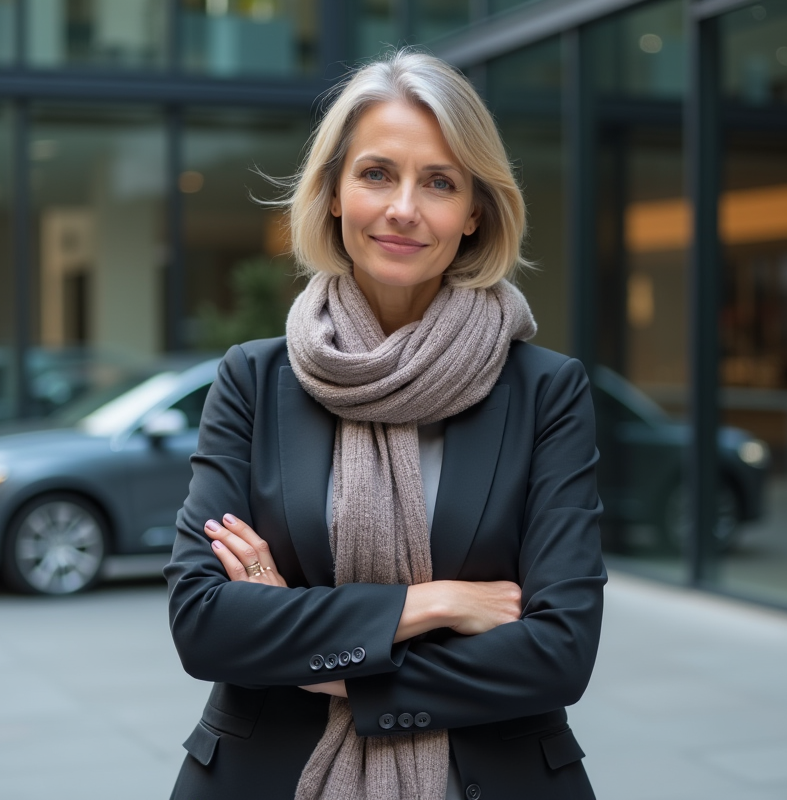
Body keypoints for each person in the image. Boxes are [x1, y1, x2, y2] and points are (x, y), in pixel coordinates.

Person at [164, 48, 606, 800]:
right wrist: (432, 604)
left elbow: (558, 652)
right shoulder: (253, 378)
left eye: (439, 182)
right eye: (376, 173)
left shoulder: (545, 391)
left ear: (474, 212)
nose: (404, 207)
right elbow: (205, 622)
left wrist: (332, 661)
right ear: (334, 193)